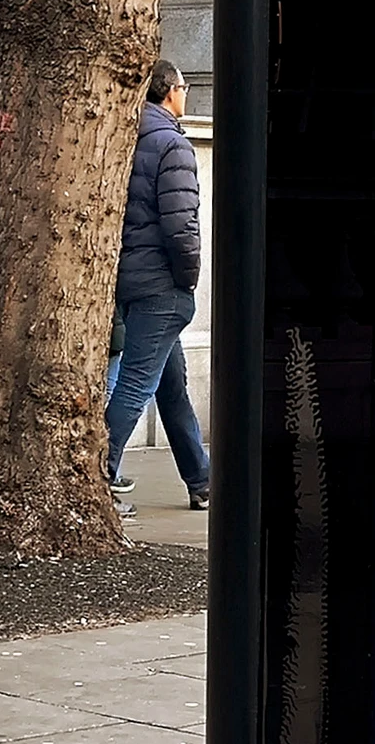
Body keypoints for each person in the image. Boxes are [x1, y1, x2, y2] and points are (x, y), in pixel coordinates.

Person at [106, 60, 212, 512]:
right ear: (170, 91)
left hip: (131, 280)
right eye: (185, 87)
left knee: (171, 388)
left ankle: (202, 480)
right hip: (161, 286)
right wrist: (187, 280)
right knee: (136, 385)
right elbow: (180, 226)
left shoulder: (122, 141)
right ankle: (98, 476)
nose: (185, 95)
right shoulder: (173, 146)